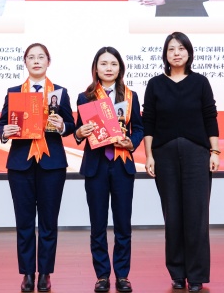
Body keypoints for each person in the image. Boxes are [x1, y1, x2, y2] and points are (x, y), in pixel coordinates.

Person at [142, 32, 220, 292]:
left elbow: (210, 117)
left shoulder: (200, 82)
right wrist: (149, 155)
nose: (176, 53)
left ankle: (196, 275)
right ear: (165, 54)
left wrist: (215, 152)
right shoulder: (155, 84)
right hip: (163, 156)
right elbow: (149, 122)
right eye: (171, 49)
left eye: (181, 48)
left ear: (189, 52)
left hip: (197, 155)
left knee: (197, 216)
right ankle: (177, 273)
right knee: (172, 215)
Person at [0, 43, 75, 293]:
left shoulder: (59, 92)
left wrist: (62, 126)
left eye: (41, 57)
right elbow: (1, 125)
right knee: (25, 222)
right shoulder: (14, 93)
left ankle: (45, 274)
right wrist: (5, 132)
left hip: (52, 165)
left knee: (49, 222)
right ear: (25, 62)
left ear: (48, 62)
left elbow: (71, 126)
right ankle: (28, 274)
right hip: (21, 165)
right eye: (31, 57)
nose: (37, 61)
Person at [74, 47, 144, 293]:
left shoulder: (131, 96)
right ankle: (102, 275)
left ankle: (122, 275)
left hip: (122, 165)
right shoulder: (85, 97)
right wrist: (79, 132)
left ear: (120, 68)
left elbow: (139, 128)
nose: (108, 68)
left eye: (113, 64)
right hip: (96, 166)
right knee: (98, 225)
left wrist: (131, 142)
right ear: (96, 68)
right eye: (103, 64)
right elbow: (79, 130)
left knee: (123, 224)